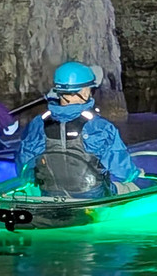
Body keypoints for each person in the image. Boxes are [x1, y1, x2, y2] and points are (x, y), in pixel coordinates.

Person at [15, 61, 141, 198]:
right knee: (131, 188)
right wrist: (133, 174)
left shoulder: (38, 124)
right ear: (84, 91)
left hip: (50, 193)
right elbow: (120, 168)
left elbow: (24, 163)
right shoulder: (100, 127)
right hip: (93, 195)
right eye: (90, 89)